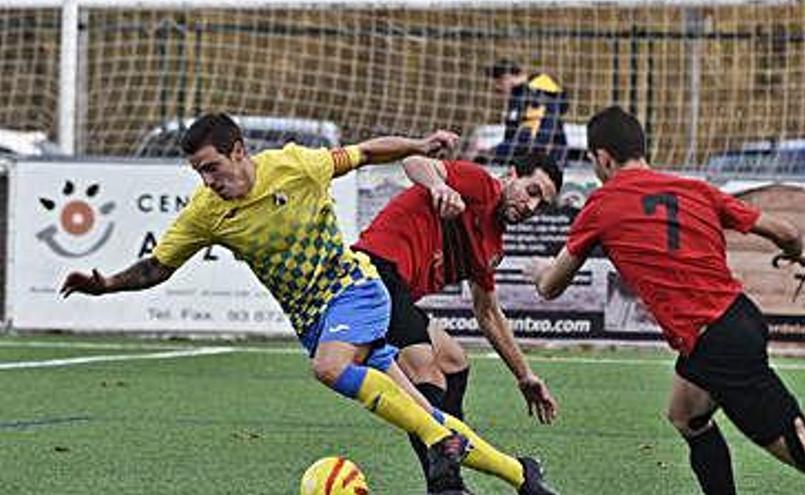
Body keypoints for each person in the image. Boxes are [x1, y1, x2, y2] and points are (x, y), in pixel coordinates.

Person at [59, 113, 555, 495]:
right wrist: (105, 285)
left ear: (239, 152)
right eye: (198, 172)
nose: (207, 180)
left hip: (356, 289)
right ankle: (521, 474)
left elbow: (364, 153)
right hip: (314, 320)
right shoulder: (205, 213)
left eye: (211, 167)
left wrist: (419, 146)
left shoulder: (295, 165)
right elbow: (157, 268)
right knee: (424, 409)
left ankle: (438, 444)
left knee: (331, 370)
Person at [526, 105, 805, 494]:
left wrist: (538, 270)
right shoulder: (695, 189)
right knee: (686, 415)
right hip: (735, 320)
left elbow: (550, 287)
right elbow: (787, 231)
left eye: (593, 162)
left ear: (603, 157)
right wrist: (795, 253)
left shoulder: (602, 204)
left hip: (718, 342)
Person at [353, 151, 562, 493]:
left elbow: (488, 313)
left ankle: (452, 472)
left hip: (396, 290)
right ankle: (445, 485)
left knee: (453, 362)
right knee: (425, 370)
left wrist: (525, 375)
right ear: (511, 174)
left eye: (542, 205)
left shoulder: (492, 244)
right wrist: (438, 185)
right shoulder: (481, 185)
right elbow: (414, 162)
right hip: (373, 272)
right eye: (533, 191)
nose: (531, 207)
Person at [486, 59, 569, 167]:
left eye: (498, 85)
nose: (496, 89)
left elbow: (533, 138)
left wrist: (495, 152)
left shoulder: (537, 91)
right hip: (528, 160)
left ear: (506, 77)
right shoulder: (517, 97)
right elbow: (512, 133)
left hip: (546, 165)